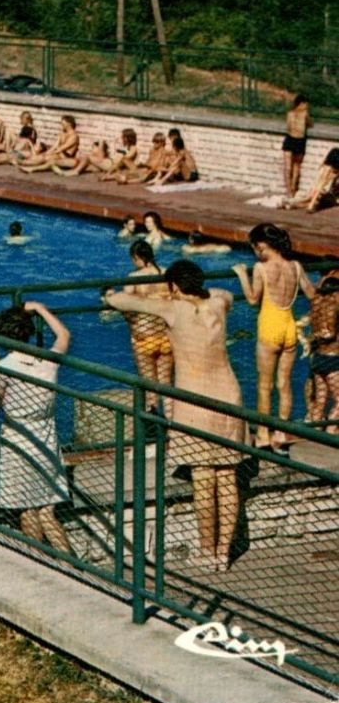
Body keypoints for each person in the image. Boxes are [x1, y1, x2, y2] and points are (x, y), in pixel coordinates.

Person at [104, 262, 245, 573]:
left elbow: (123, 301)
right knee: (227, 476)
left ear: (174, 287)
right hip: (229, 395)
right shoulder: (219, 303)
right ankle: (224, 552)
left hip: (194, 400)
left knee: (203, 477)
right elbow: (225, 293)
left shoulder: (172, 310)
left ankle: (207, 550)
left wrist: (109, 295)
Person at [0, 302, 73, 553]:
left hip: (18, 438)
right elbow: (64, 335)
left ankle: (37, 561)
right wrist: (41, 309)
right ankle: (74, 569)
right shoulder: (48, 361)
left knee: (27, 508)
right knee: (47, 511)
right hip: (46, 436)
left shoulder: (4, 366)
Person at [233, 223, 316, 451]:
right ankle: (280, 432)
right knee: (284, 384)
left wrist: (242, 274)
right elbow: (312, 293)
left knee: (264, 385)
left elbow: (252, 298)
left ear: (261, 246)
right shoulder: (296, 266)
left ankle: (262, 433)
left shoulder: (261, 268)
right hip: (289, 326)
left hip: (270, 327)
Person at [120, 240, 175, 417]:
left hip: (144, 336)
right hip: (166, 335)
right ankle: (171, 428)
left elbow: (124, 305)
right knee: (166, 383)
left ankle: (153, 428)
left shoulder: (134, 278)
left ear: (137, 257)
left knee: (149, 385)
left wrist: (132, 324)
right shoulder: (167, 274)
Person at [308, 272, 339, 432]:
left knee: (320, 400)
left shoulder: (316, 303)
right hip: (333, 358)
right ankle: (331, 431)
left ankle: (314, 431)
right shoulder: (333, 306)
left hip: (318, 357)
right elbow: (330, 333)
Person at [283, 95, 310, 200]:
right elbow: (310, 124)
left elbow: (288, 126)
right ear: (301, 104)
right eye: (306, 104)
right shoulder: (305, 114)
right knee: (296, 166)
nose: (307, 106)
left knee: (288, 166)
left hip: (290, 138)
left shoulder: (290, 114)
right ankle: (293, 189)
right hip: (299, 140)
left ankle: (289, 191)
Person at [298, 147, 339, 212]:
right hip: (326, 189)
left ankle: (304, 204)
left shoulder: (334, 150)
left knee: (318, 187)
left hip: (327, 167)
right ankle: (310, 205)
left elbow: (324, 162)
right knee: (320, 187)